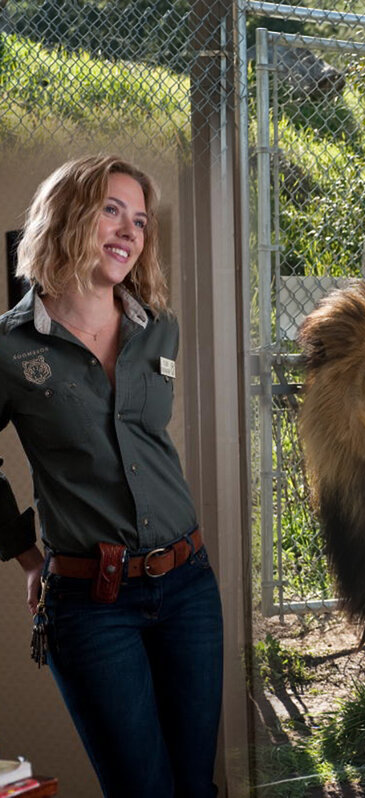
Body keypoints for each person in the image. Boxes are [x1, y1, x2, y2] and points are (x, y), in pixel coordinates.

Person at [0, 155, 222, 797]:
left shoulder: (161, 331)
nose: (129, 231)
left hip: (188, 589)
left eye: (141, 221)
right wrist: (26, 557)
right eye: (111, 210)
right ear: (68, 216)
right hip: (92, 608)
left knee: (195, 788)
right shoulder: (11, 349)